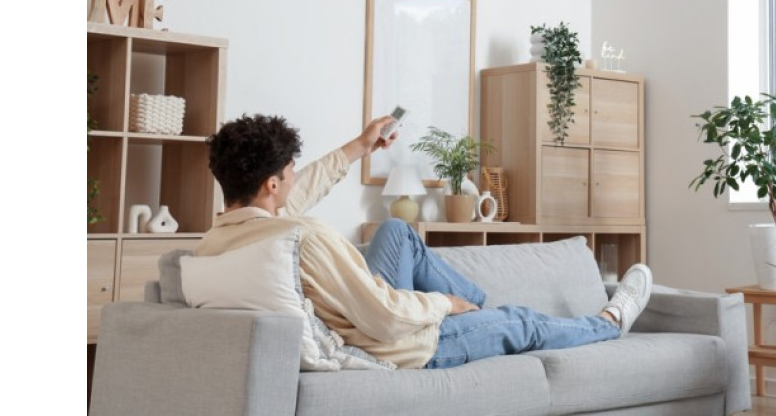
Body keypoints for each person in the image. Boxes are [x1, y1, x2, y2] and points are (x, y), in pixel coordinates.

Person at [197, 113, 653, 370]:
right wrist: (444, 306)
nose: (297, 179)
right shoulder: (304, 237)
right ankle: (610, 322)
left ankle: (479, 310)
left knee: (397, 230)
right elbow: (386, 316)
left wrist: (360, 144)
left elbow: (304, 189)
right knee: (522, 322)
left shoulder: (224, 238)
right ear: (273, 185)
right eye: (290, 173)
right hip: (397, 344)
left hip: (363, 318)